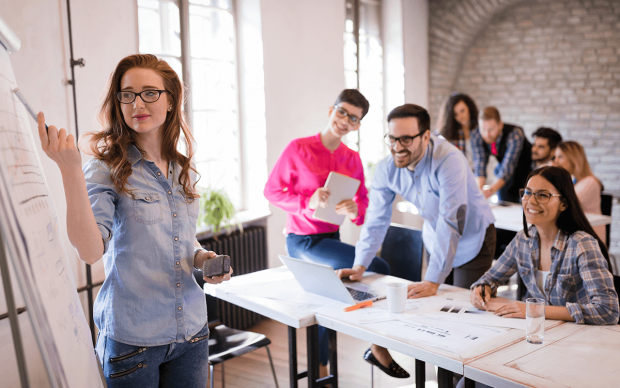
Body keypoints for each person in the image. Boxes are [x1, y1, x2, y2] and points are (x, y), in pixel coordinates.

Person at [37, 54, 233, 388]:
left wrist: (203, 259)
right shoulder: (106, 168)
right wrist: (70, 169)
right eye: (127, 94)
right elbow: (89, 250)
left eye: (149, 93)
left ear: (170, 100)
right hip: (134, 341)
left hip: (192, 332)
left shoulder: (182, 167)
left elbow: (182, 240)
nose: (137, 102)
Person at [337, 104, 496, 375]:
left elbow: (451, 220)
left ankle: (462, 378)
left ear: (425, 136)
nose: (398, 147)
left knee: (465, 315)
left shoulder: (449, 160)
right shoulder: (388, 169)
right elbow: (376, 219)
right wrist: (360, 264)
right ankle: (442, 372)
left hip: (473, 239)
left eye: (406, 140)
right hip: (437, 239)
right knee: (433, 311)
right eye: (392, 139)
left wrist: (434, 279)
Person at [263, 89, 395, 377]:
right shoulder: (299, 148)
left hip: (332, 240)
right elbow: (272, 191)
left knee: (332, 296)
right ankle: (376, 346)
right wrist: (306, 201)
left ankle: (321, 368)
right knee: (379, 266)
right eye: (342, 112)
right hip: (303, 241)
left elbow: (363, 206)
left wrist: (353, 210)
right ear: (331, 110)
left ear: (358, 125)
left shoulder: (353, 158)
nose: (345, 120)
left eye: (353, 118)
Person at [470, 166, 618, 325]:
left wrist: (535, 309)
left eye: (543, 195)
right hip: (539, 332)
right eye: (527, 192)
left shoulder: (581, 244)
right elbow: (490, 278)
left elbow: (608, 310)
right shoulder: (523, 239)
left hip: (578, 337)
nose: (531, 201)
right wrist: (481, 289)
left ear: (563, 204)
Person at [471, 107, 532, 203]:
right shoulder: (476, 135)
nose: (487, 134)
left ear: (500, 125)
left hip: (526, 174)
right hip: (505, 176)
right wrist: (479, 191)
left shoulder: (515, 134)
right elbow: (480, 164)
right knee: (503, 201)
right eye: (483, 129)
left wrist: (491, 190)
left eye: (491, 129)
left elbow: (507, 167)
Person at [553, 141, 606, 245]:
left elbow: (561, 205)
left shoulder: (590, 182)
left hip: (590, 240)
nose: (555, 161)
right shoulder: (573, 181)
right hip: (573, 235)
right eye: (555, 157)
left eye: (560, 157)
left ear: (573, 159)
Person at [436, 92, 479, 169]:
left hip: (478, 175)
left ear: (469, 108)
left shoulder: (479, 130)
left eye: (462, 111)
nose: (460, 116)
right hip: (459, 174)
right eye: (456, 114)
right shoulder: (450, 133)